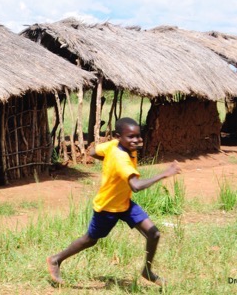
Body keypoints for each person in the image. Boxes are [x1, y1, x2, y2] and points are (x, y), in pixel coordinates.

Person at [47, 117, 181, 286]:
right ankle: (56, 259)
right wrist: (165, 173)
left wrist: (109, 164)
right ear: (119, 136)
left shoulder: (113, 145)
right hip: (108, 207)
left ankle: (147, 271)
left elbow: (94, 152)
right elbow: (136, 186)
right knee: (90, 239)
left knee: (154, 233)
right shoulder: (120, 158)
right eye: (131, 136)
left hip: (124, 202)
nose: (136, 140)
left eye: (138, 136)